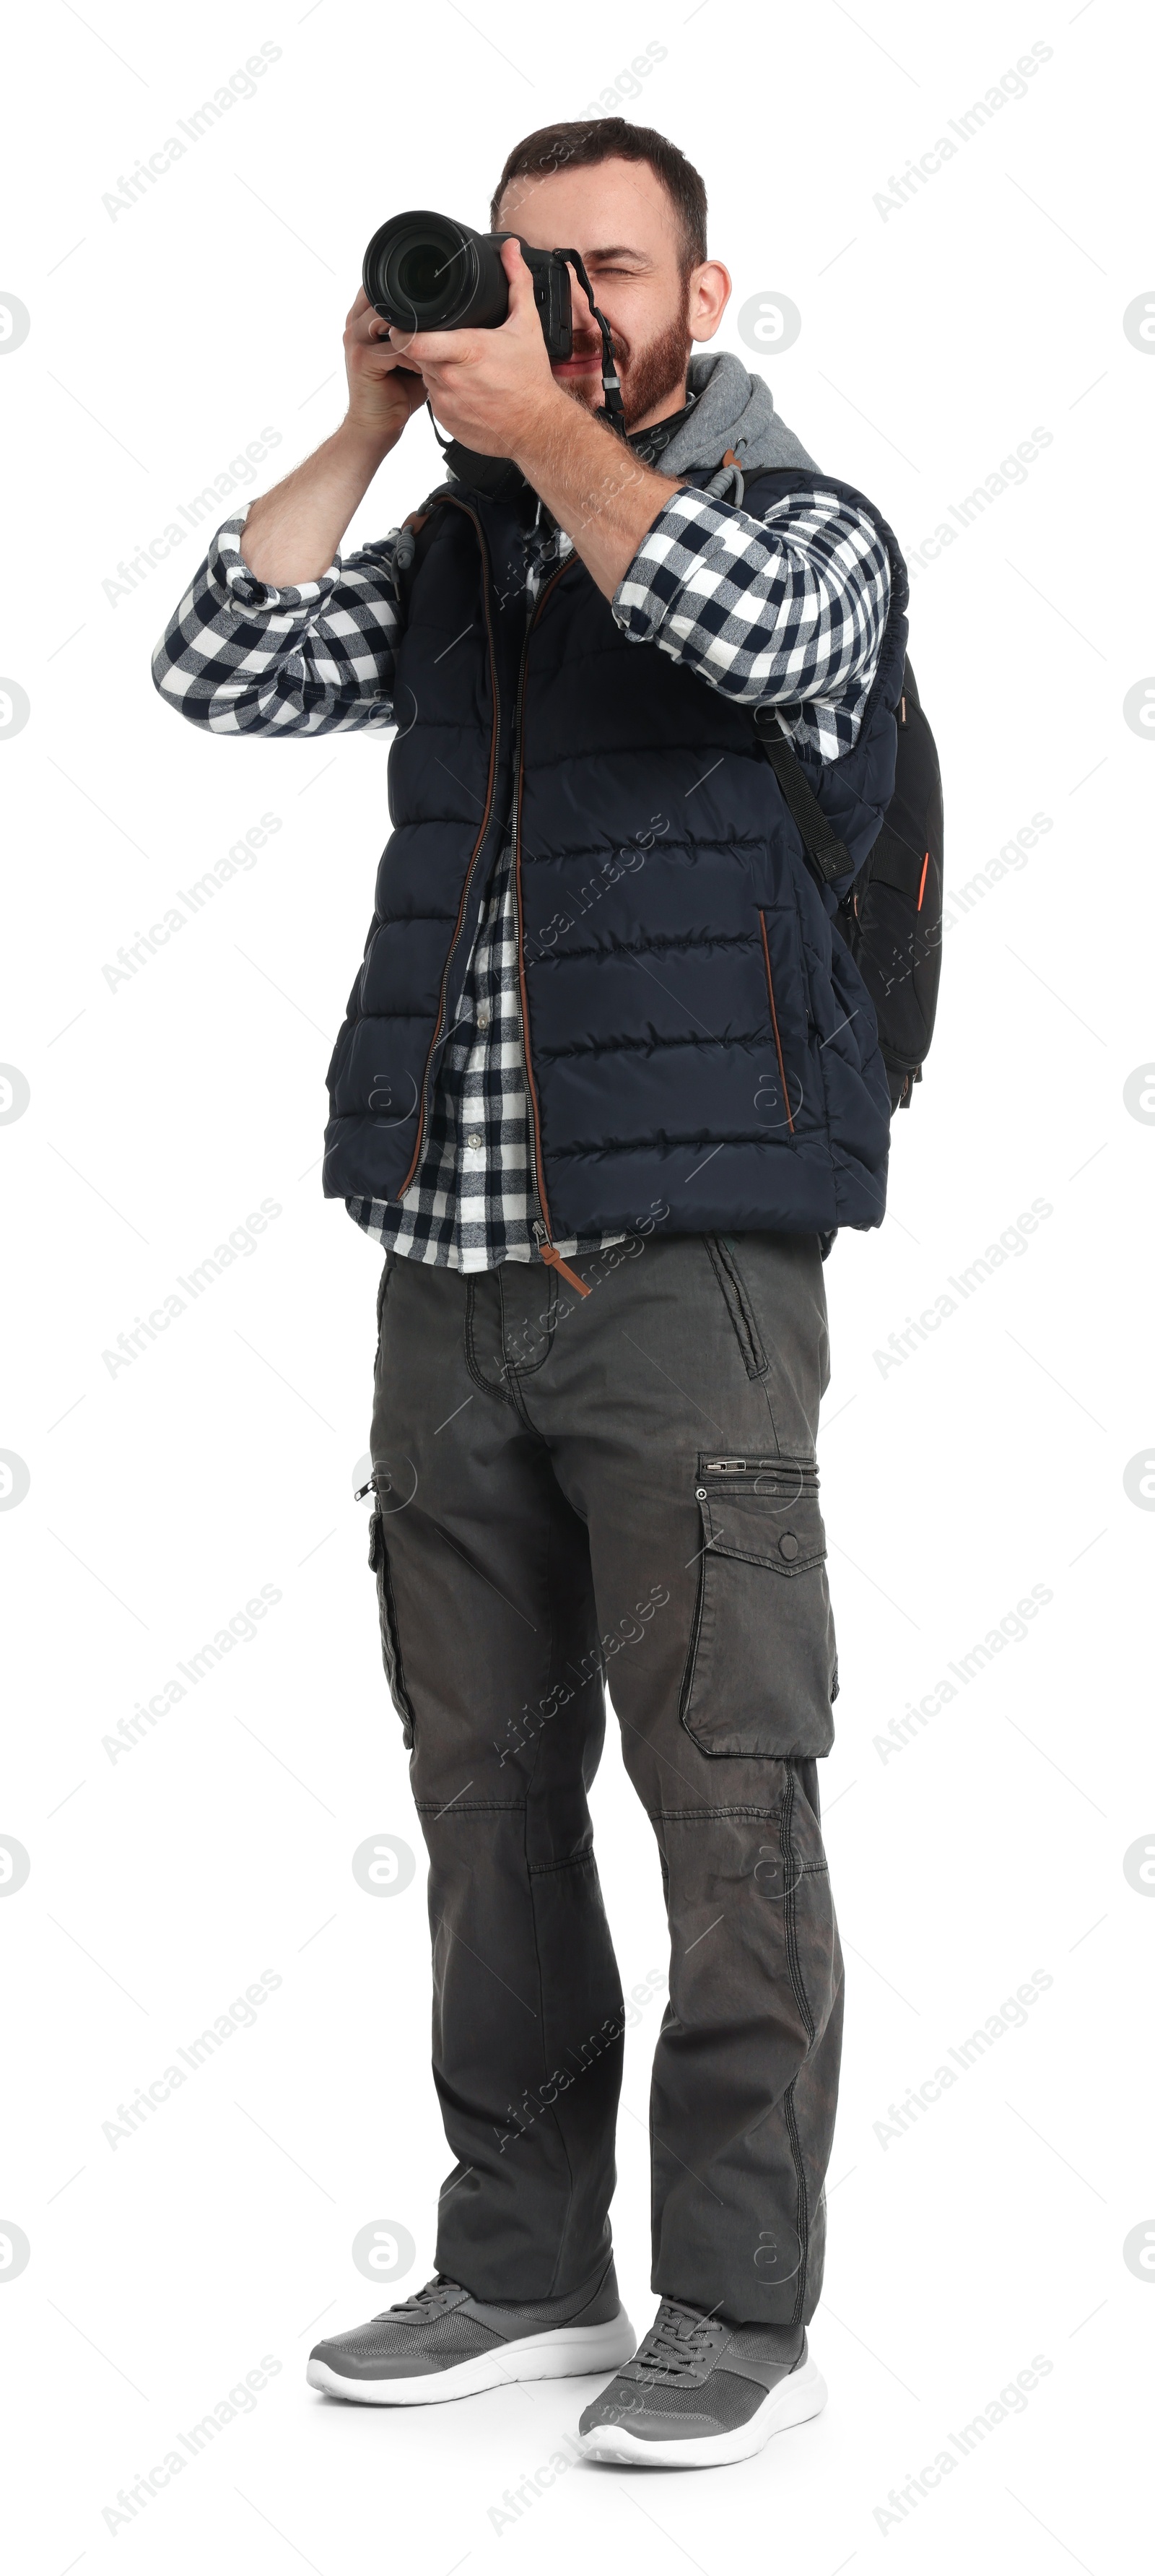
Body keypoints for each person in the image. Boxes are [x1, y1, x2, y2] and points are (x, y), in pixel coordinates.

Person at [153, 116, 907, 2471]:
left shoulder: (804, 528)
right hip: (446, 1277)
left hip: (686, 1278)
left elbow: (743, 629)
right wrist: (385, 418)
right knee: (482, 1794)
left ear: (706, 288)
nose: (568, 301)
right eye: (529, 265)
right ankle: (518, 2257)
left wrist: (552, 427)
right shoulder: (471, 549)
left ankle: (739, 2309)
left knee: (728, 1793)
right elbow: (220, 659)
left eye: (610, 268)